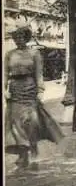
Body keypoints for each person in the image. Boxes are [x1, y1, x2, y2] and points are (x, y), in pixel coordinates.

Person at [4, 22, 64, 168]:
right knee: (16, 123)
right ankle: (23, 154)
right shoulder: (9, 54)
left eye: (20, 37)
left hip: (30, 88)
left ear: (26, 37)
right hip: (15, 90)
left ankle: (34, 150)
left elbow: (39, 74)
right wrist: (4, 89)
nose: (17, 40)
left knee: (31, 121)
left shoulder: (34, 53)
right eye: (15, 37)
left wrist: (40, 91)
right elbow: (4, 74)